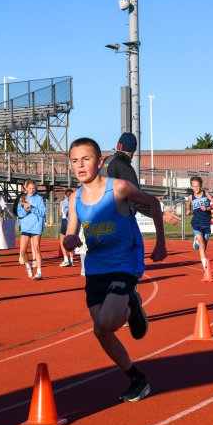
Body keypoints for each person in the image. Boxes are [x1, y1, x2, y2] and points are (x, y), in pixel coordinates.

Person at [63, 137, 167, 403]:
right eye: (75, 161)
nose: (80, 166)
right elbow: (69, 232)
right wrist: (69, 239)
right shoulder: (76, 198)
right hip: (96, 266)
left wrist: (160, 244)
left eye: (85, 159)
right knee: (101, 331)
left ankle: (131, 303)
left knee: (108, 321)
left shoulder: (118, 188)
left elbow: (153, 203)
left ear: (100, 162)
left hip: (124, 262)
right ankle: (137, 379)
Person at [101, 132, 181, 226]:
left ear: (118, 146)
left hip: (96, 218)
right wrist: (160, 214)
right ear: (133, 151)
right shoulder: (124, 166)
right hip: (115, 221)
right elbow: (135, 199)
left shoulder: (105, 161)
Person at [185, 176, 213, 271]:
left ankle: (196, 240)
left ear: (201, 186)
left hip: (206, 223)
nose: (196, 188)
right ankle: (206, 268)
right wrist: (188, 210)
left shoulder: (206, 194)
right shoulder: (191, 197)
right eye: (194, 186)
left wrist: (208, 208)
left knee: (204, 247)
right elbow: (188, 205)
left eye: (198, 186)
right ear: (191, 186)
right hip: (196, 223)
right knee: (202, 244)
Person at [17, 179, 46, 280]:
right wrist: (25, 210)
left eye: (33, 188)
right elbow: (19, 213)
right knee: (22, 251)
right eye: (30, 188)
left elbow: (43, 213)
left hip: (36, 227)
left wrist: (32, 209)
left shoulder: (39, 199)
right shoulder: (23, 198)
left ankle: (39, 271)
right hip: (25, 226)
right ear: (26, 188)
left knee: (36, 248)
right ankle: (28, 267)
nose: (32, 190)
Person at [58, 188, 76, 267]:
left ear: (65, 195)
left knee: (62, 241)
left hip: (65, 222)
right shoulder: (75, 202)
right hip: (72, 222)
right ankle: (72, 260)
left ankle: (66, 259)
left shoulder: (62, 202)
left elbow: (60, 214)